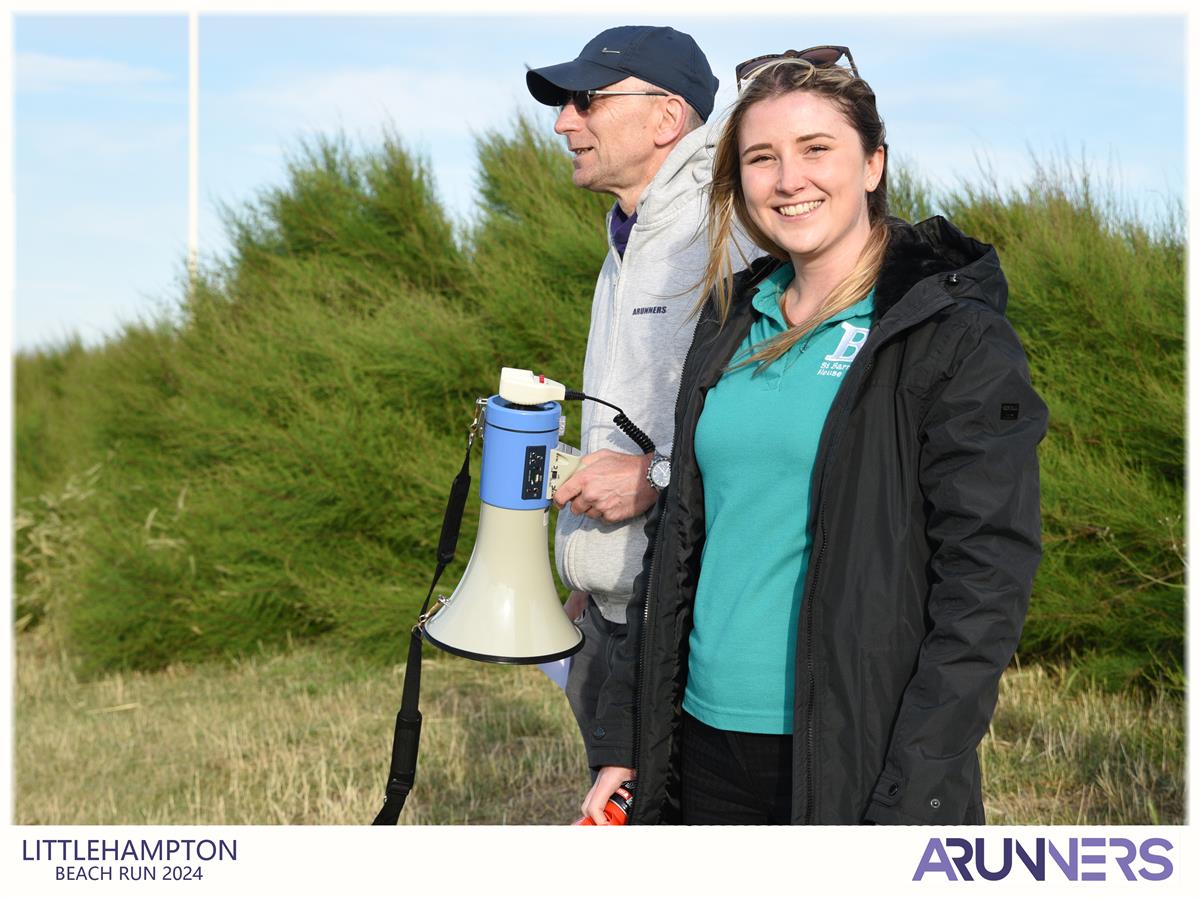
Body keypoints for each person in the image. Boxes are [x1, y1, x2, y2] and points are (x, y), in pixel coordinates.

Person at [582, 47, 1047, 825]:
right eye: (761, 157)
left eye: (815, 149)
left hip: (854, 756)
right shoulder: (731, 321)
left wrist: (915, 780)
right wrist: (628, 738)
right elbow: (677, 537)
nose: (788, 179)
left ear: (873, 164)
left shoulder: (950, 339)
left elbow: (986, 585)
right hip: (698, 744)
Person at [524, 25, 742, 795]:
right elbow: (627, 421)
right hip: (614, 613)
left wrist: (653, 476)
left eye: (585, 100)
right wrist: (586, 567)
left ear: (665, 118)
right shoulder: (628, 235)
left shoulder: (731, 229)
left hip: (690, 619)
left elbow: (771, 423)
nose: (562, 122)